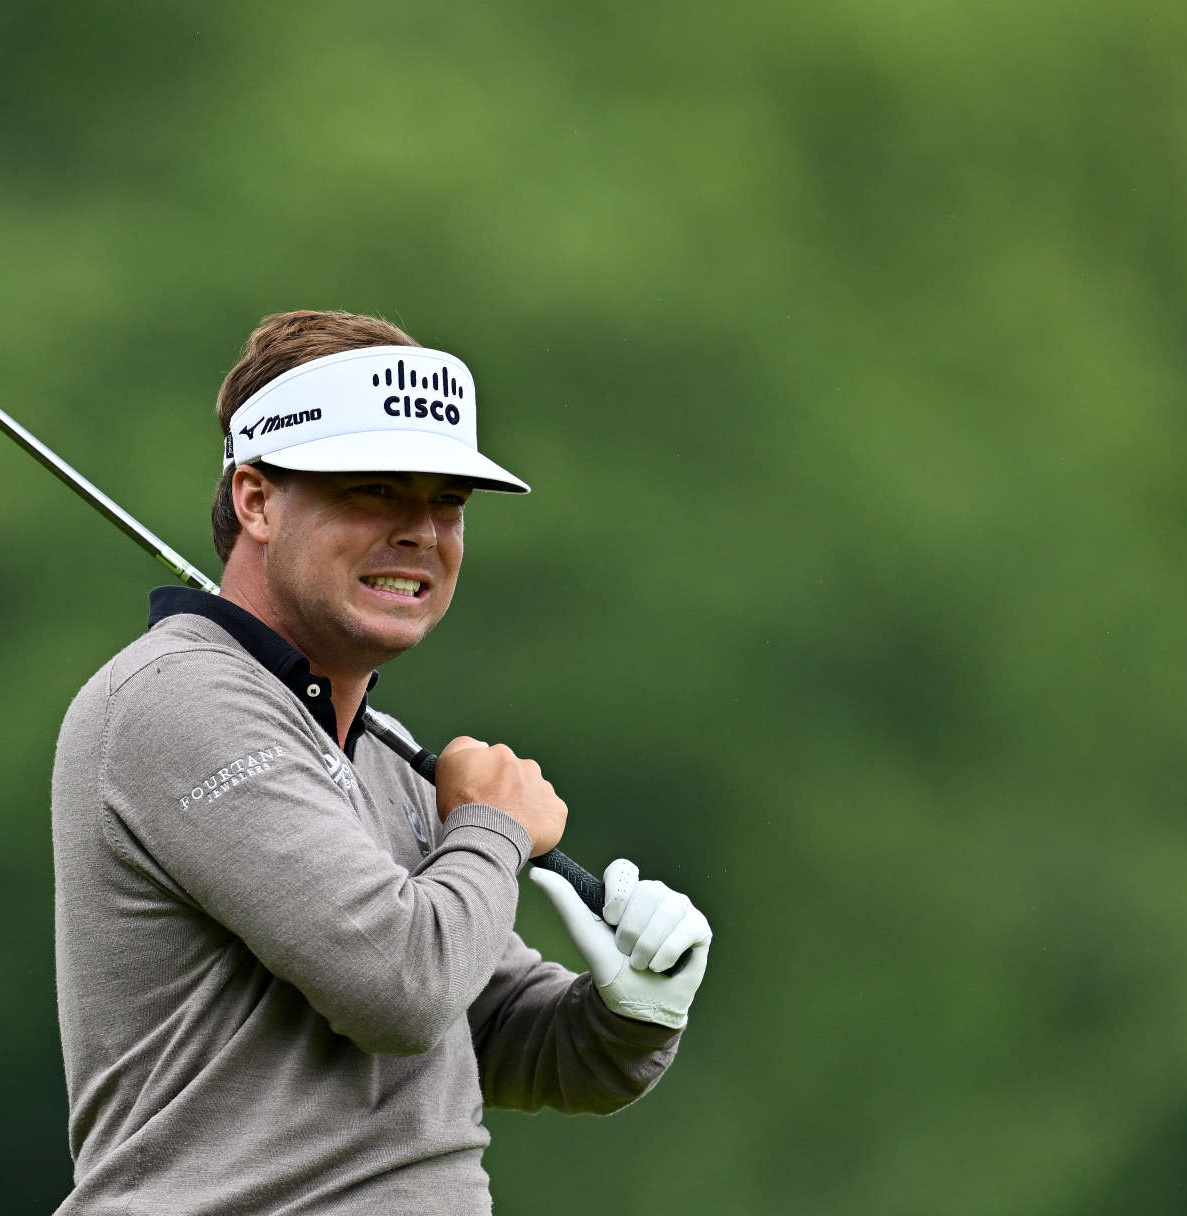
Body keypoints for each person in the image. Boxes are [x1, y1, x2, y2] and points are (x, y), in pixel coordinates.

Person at [51, 310, 713, 1214]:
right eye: (371, 490)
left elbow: (501, 1032)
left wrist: (635, 1013)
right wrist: (492, 828)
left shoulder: (381, 757)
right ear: (255, 498)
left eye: (446, 501)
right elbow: (400, 988)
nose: (420, 533)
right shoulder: (180, 701)